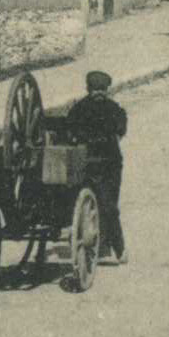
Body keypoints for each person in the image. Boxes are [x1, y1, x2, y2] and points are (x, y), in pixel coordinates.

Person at [66, 69, 127, 262]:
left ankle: (111, 246)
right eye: (96, 89)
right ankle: (117, 249)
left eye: (101, 89)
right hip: (103, 163)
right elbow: (120, 131)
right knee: (109, 205)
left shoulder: (80, 109)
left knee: (108, 205)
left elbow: (70, 132)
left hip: (102, 164)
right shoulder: (113, 109)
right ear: (89, 89)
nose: (99, 92)